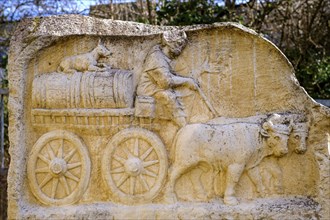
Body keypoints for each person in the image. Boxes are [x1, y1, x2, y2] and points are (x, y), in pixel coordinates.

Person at [136, 30, 197, 127]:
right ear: (170, 43)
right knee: (169, 97)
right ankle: (183, 126)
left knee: (185, 94)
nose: (181, 48)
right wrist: (187, 81)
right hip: (149, 90)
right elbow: (165, 82)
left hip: (156, 88)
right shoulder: (156, 58)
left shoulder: (163, 56)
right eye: (179, 44)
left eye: (182, 45)